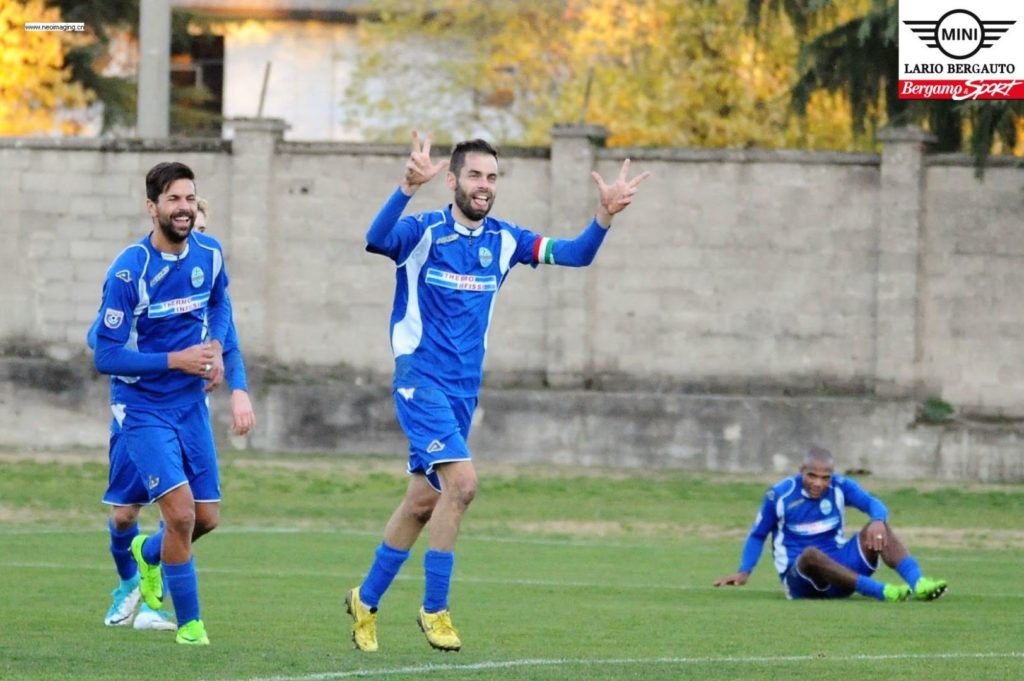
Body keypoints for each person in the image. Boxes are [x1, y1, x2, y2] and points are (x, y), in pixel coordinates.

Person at [345, 131, 650, 653]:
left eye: (492, 177)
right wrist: (404, 187)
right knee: (461, 485)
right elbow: (375, 237)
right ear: (453, 179)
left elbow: (574, 255)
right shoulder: (422, 231)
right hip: (420, 381)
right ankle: (435, 609)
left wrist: (604, 217)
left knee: (422, 502)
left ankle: (365, 600)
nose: (484, 186)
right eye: (475, 175)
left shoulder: (504, 241)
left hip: (464, 394)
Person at [96, 196, 255, 632]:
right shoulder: (137, 270)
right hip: (140, 409)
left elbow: (228, 338)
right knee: (127, 512)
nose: (195, 239)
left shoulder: (207, 278)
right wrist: (170, 358)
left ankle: (151, 581)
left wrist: (239, 390)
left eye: (201, 229)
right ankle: (130, 583)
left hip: (187, 409)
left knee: (196, 516)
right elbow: (103, 342)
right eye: (190, 226)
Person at [713, 445, 948, 603]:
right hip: (801, 581)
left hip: (841, 574)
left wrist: (878, 520)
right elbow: (757, 535)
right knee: (810, 554)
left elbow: (873, 503)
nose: (819, 483)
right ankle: (881, 591)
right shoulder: (780, 495)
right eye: (812, 476)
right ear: (800, 471)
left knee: (878, 528)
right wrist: (744, 571)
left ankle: (919, 583)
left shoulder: (840, 487)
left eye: (825, 477)